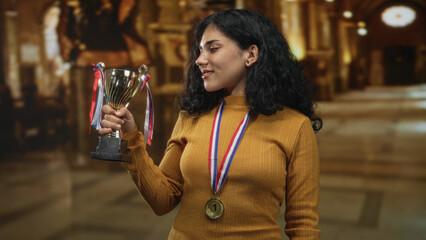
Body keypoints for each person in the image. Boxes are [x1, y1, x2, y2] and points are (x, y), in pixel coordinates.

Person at [98, 9, 321, 240]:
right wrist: (130, 137)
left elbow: (303, 226)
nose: (200, 59)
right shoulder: (192, 116)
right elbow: (162, 200)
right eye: (200, 50)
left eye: (213, 48)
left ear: (251, 54)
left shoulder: (295, 126)